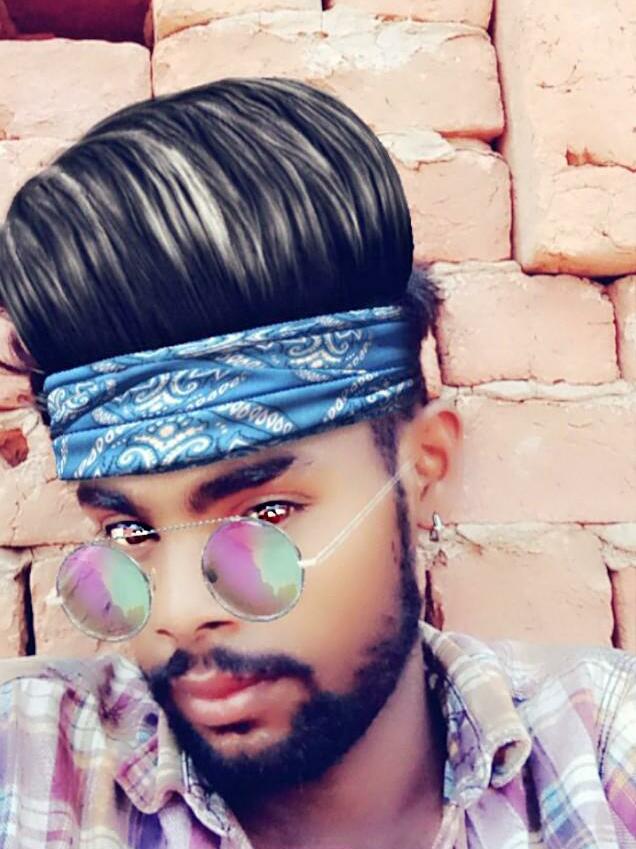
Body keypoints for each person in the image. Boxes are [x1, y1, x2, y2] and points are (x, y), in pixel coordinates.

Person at [0, 77, 634, 849]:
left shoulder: (601, 754)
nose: (176, 612)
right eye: (129, 532)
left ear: (423, 464)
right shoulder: (32, 766)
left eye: (266, 512)